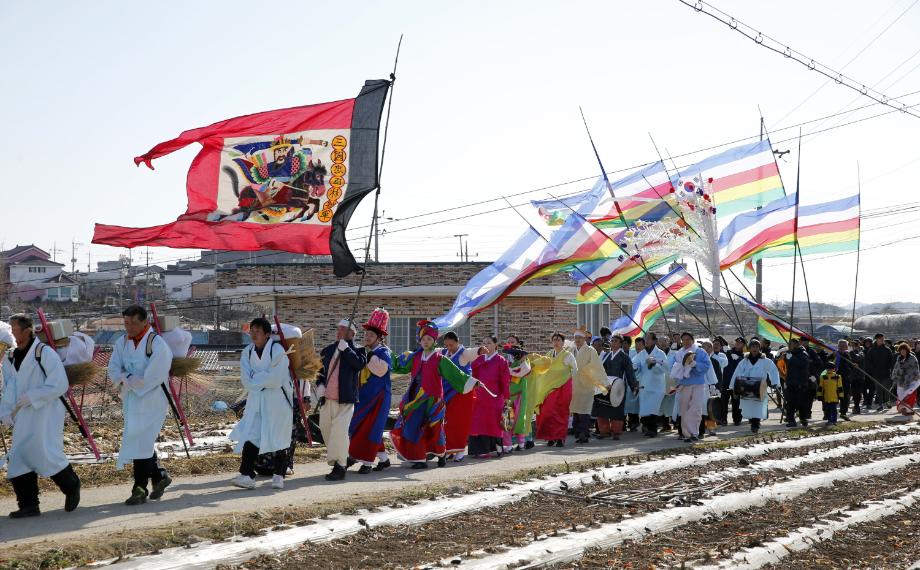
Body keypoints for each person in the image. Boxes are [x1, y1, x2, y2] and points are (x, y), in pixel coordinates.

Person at [0, 315, 80, 518]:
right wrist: (5, 412)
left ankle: (71, 485)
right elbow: (10, 387)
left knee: (42, 452)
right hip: (22, 413)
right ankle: (29, 505)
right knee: (18, 457)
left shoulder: (44, 353)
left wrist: (34, 396)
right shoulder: (10, 357)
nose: (13, 334)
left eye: (15, 330)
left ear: (27, 331)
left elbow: (59, 383)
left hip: (45, 411)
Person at [108, 305, 173, 505]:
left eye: (134, 323)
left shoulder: (157, 344)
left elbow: (154, 376)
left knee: (141, 441)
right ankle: (160, 475)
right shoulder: (122, 342)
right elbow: (113, 367)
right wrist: (126, 378)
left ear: (145, 321)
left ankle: (140, 487)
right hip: (131, 399)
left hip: (152, 400)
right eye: (126, 323)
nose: (129, 328)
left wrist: (129, 379)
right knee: (138, 439)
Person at [390, 320, 477, 468]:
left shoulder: (440, 359)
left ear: (434, 341)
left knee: (435, 429)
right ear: (419, 340)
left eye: (429, 339)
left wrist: (473, 382)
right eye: (423, 339)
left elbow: (455, 374)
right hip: (416, 399)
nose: (425, 342)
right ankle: (419, 459)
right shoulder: (415, 357)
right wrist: (387, 353)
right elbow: (400, 366)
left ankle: (441, 453)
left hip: (433, 400)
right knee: (414, 425)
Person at [229, 317, 293, 490]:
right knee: (251, 434)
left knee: (278, 436)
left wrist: (256, 379)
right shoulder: (247, 352)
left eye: (258, 331)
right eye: (252, 331)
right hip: (256, 401)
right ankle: (247, 475)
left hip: (277, 401)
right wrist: (263, 378)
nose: (254, 334)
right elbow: (245, 380)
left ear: (267, 334)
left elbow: (276, 380)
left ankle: (279, 475)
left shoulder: (277, 350)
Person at [316, 318, 367, 481]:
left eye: (343, 329)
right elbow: (319, 371)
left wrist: (347, 350)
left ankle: (340, 466)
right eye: (338, 329)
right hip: (328, 398)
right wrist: (319, 385)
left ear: (352, 334)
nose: (339, 332)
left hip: (345, 400)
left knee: (339, 432)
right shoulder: (328, 350)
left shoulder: (358, 350)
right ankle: (345, 456)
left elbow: (359, 365)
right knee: (326, 430)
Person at [348, 308, 393, 473]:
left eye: (371, 335)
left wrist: (367, 356)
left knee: (371, 428)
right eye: (366, 334)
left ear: (379, 338)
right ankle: (384, 459)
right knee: (363, 426)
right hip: (365, 396)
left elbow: (381, 370)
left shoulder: (383, 352)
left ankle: (367, 462)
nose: (367, 337)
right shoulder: (366, 352)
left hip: (379, 397)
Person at [530, 332, 577, 447]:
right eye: (554, 340)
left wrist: (569, 383)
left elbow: (575, 370)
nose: (556, 342)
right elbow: (541, 367)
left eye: (559, 340)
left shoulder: (567, 355)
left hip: (562, 387)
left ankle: (560, 437)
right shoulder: (549, 354)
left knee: (560, 412)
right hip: (547, 388)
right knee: (547, 412)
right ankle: (550, 437)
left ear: (563, 342)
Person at [468, 336, 511, 458]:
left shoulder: (501, 361)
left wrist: (506, 396)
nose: (486, 345)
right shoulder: (479, 359)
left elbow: (505, 380)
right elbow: (473, 374)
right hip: (480, 395)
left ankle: (496, 448)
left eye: (489, 343)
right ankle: (481, 449)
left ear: (496, 345)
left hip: (495, 396)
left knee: (494, 423)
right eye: (484, 343)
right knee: (478, 422)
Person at [441, 331, 479, 461]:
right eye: (446, 345)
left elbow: (473, 352)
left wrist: (480, 350)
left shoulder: (463, 353)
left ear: (457, 342)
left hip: (462, 393)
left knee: (460, 422)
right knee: (447, 422)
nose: (449, 348)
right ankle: (450, 449)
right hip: (447, 392)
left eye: (451, 345)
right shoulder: (444, 353)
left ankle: (461, 449)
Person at [729, 339, 780, 433]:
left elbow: (773, 370)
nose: (754, 349)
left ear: (759, 348)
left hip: (760, 386)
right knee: (749, 406)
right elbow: (737, 373)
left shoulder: (765, 361)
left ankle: (755, 424)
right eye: (753, 347)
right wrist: (733, 386)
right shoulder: (744, 361)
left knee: (758, 406)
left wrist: (774, 382)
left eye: (757, 347)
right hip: (747, 386)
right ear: (749, 348)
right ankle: (753, 421)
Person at [593, 334, 635, 440]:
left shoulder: (625, 357)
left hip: (618, 386)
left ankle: (616, 432)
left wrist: (634, 385)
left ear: (621, 344)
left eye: (616, 341)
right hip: (606, 385)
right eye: (612, 341)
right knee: (602, 407)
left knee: (617, 409)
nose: (613, 343)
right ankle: (604, 431)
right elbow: (601, 370)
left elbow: (630, 372)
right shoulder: (606, 355)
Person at [671, 332, 711, 442]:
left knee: (696, 407)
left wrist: (695, 365)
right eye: (683, 339)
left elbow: (707, 366)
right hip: (684, 384)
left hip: (698, 383)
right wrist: (680, 366)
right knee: (684, 409)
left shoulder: (700, 351)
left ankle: (694, 433)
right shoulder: (678, 354)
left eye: (688, 339)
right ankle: (687, 434)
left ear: (692, 340)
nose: (686, 341)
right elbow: (672, 366)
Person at [570, 329, 608, 444]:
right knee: (575, 410)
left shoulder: (590, 350)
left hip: (586, 384)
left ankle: (584, 434)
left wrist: (584, 370)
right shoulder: (571, 350)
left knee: (584, 410)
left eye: (580, 338)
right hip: (574, 384)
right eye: (576, 338)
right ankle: (578, 433)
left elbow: (596, 365)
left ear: (585, 339)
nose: (578, 340)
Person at [632, 333, 667, 438]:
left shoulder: (660, 353)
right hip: (645, 385)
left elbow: (665, 368)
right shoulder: (641, 353)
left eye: (648, 339)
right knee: (644, 410)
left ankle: (653, 430)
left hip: (657, 386)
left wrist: (653, 364)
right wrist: (635, 368)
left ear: (654, 341)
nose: (646, 341)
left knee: (653, 409)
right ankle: (647, 427)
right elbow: (635, 365)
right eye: (645, 339)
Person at [503, 342, 533, 452]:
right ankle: (508, 445)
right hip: (509, 396)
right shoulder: (512, 365)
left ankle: (521, 443)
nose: (515, 356)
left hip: (519, 396)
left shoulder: (525, 365)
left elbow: (519, 372)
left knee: (519, 420)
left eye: (517, 354)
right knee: (507, 419)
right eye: (513, 354)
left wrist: (507, 370)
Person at [783, 338, 814, 428]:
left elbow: (802, 364)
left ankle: (803, 419)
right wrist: (786, 358)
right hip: (791, 382)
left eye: (791, 345)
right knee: (790, 403)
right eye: (789, 345)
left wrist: (791, 358)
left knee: (801, 403)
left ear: (796, 345)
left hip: (800, 383)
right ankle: (791, 420)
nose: (789, 346)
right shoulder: (790, 353)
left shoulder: (803, 353)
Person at [866, 333, 895, 411]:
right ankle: (880, 405)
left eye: (883, 339)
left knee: (886, 389)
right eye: (881, 339)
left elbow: (891, 361)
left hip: (886, 373)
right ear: (877, 339)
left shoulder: (887, 350)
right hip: (876, 374)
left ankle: (887, 401)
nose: (883, 340)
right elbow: (869, 362)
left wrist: (891, 370)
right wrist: (872, 370)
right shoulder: (872, 350)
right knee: (878, 390)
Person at [721, 337, 746, 426]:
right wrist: (724, 350)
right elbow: (721, 355)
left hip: (737, 381)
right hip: (726, 381)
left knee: (736, 401)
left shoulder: (743, 356)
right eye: (737, 342)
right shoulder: (728, 352)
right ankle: (723, 419)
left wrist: (738, 359)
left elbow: (744, 365)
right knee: (724, 402)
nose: (737, 344)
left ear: (743, 345)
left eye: (740, 343)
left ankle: (737, 419)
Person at [892, 342, 920, 416]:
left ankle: (908, 409)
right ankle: (903, 409)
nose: (903, 351)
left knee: (909, 394)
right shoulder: (899, 358)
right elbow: (896, 368)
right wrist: (896, 375)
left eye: (904, 350)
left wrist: (915, 375)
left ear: (907, 350)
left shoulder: (912, 357)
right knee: (901, 395)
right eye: (901, 350)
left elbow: (915, 368)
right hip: (901, 380)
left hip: (911, 380)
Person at [817, 362, 844, 426]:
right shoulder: (823, 377)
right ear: (826, 369)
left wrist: (841, 396)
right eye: (828, 369)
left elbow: (840, 387)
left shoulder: (837, 377)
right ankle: (829, 420)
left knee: (834, 410)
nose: (830, 370)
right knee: (828, 410)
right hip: (826, 397)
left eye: (831, 369)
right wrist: (819, 395)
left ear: (834, 369)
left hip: (835, 397)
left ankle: (834, 421)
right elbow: (820, 387)